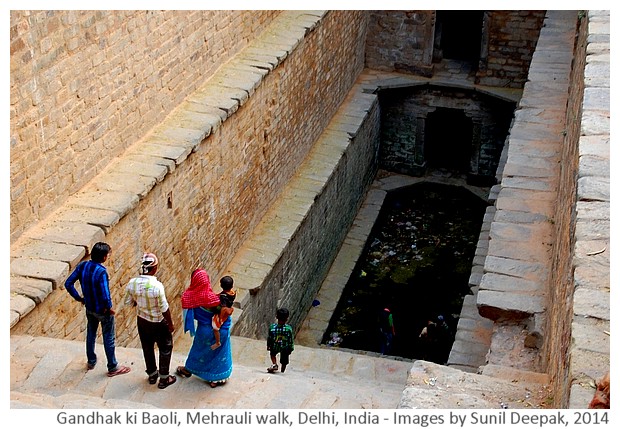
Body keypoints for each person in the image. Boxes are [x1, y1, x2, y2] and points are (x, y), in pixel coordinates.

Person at [64, 242, 131, 377]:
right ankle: (112, 366)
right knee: (108, 337)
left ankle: (91, 360)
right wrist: (109, 308)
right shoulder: (101, 272)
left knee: (91, 334)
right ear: (104, 257)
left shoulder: (83, 266)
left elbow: (68, 283)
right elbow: (105, 294)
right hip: (102, 310)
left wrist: (79, 298)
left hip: (89, 307)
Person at [123, 252, 176, 389]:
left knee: (147, 347)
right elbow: (164, 308)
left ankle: (152, 374)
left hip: (142, 320)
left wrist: (140, 303)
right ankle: (164, 379)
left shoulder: (132, 283)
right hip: (158, 322)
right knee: (165, 348)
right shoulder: (157, 286)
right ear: (154, 268)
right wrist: (170, 323)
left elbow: (129, 303)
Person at [176, 268, 233, 388]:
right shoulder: (216, 299)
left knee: (198, 351)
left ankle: (189, 369)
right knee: (219, 354)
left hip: (203, 331)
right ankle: (216, 378)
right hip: (219, 330)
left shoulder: (188, 297)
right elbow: (225, 314)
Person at [211, 276, 236, 350]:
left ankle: (217, 342)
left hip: (223, 314)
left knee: (215, 328)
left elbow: (224, 308)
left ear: (221, 285)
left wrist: (220, 318)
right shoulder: (232, 293)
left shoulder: (223, 296)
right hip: (228, 308)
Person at [267, 307, 294, 373]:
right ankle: (282, 371)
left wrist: (268, 345)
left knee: (272, 354)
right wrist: (291, 348)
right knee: (284, 361)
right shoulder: (288, 329)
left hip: (275, 345)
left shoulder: (272, 328)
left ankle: (274, 364)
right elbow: (290, 340)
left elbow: (269, 338)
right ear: (287, 319)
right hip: (285, 347)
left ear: (276, 317)